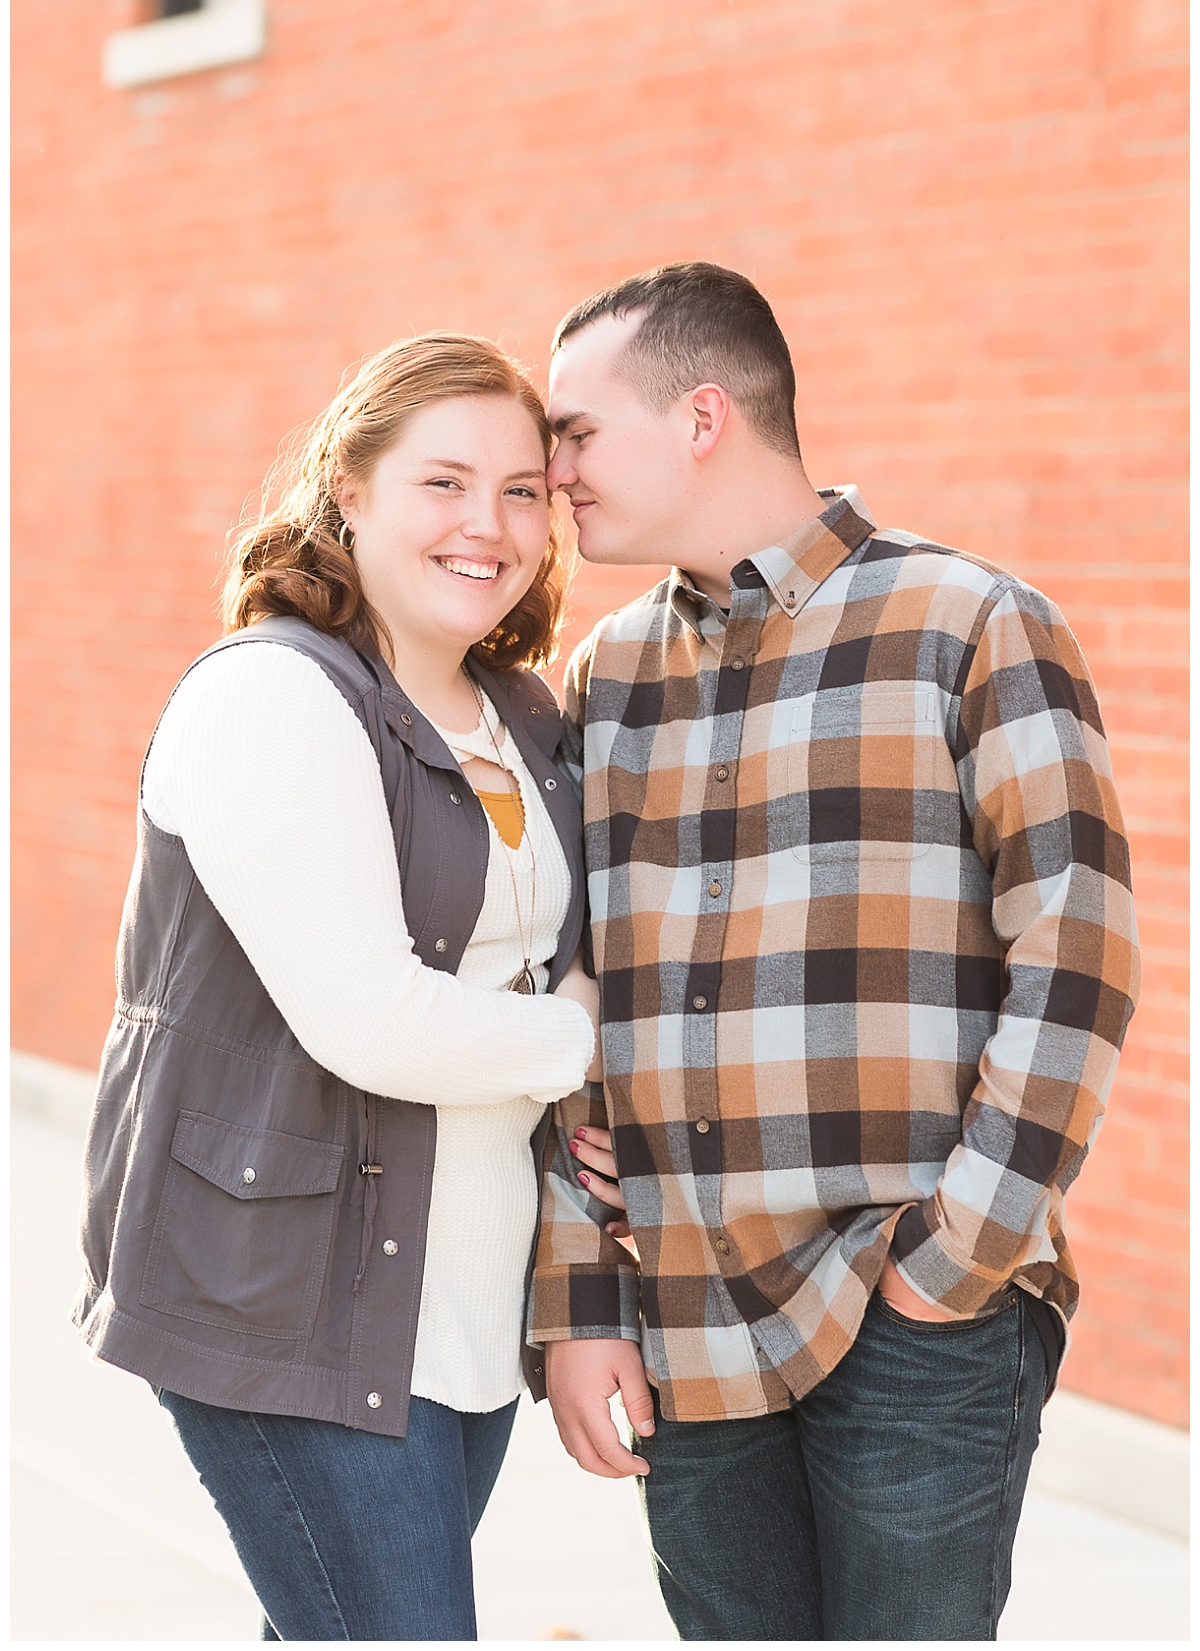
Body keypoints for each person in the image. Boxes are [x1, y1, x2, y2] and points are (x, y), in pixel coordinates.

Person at [530, 262, 1141, 1641]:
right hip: (687, 1317)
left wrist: (953, 1259)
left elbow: (1079, 962)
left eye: (574, 431)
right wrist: (579, 1301)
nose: (551, 469)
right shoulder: (605, 677)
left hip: (914, 1311)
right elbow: (572, 1009)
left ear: (701, 417)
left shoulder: (974, 625)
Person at [73, 333, 605, 1642]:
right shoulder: (272, 698)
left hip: (470, 1299)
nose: (488, 522)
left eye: (522, 489)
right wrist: (589, 1035)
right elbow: (375, 1022)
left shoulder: (523, 716)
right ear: (349, 489)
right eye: (443, 482)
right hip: (295, 1294)